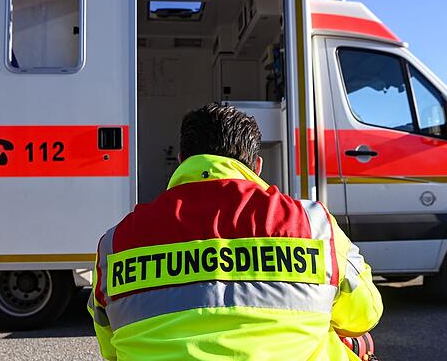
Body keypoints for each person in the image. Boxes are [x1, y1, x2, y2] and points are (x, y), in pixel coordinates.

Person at [88, 103, 383, 360]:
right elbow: (365, 314)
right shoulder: (313, 224)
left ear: (181, 161)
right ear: (257, 165)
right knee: (352, 342)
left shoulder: (116, 243)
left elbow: (110, 348)